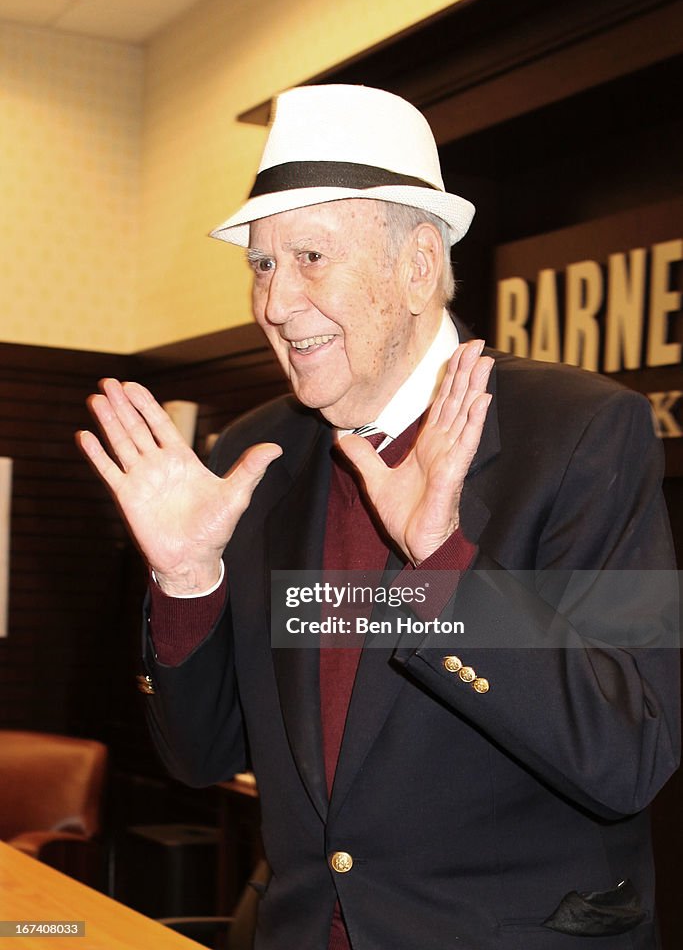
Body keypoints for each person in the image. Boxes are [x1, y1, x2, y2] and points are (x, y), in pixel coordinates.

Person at [78, 84, 679, 950]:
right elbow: (200, 758)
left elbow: (631, 756)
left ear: (417, 267)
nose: (275, 303)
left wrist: (441, 562)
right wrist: (186, 582)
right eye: (260, 263)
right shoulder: (256, 457)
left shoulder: (580, 432)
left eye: (311, 256)